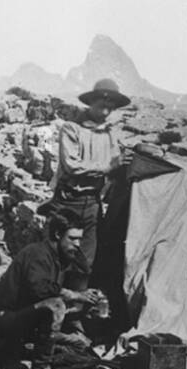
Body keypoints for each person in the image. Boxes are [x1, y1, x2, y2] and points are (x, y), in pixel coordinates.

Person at [0, 213, 105, 369]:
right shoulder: (38, 254)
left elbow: (82, 270)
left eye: (80, 239)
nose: (78, 244)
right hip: (7, 318)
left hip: (27, 318)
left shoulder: (59, 256)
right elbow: (40, 290)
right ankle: (41, 367)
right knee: (56, 305)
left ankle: (27, 349)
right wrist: (76, 295)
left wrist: (88, 301)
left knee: (79, 345)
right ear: (58, 235)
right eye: (72, 238)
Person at [51, 78, 131, 322]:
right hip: (69, 201)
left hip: (93, 203)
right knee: (60, 257)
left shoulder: (109, 134)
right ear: (91, 103)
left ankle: (75, 316)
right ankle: (50, 311)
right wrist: (107, 167)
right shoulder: (72, 129)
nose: (105, 111)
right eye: (101, 105)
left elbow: (116, 164)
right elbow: (72, 166)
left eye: (110, 108)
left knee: (85, 261)